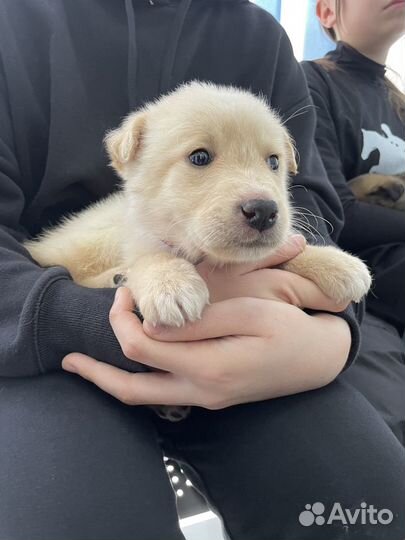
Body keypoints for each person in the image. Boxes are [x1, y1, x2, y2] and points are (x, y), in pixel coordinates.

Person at [0, 1, 404, 539]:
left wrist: (334, 329)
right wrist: (106, 319)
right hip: (50, 344)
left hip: (255, 329)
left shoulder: (259, 37)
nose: (259, 192)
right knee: (79, 522)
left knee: (372, 510)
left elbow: (312, 206)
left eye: (270, 162)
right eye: (199, 158)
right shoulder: (14, 22)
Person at [302, 0, 405, 444]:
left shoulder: (399, 102)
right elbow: (336, 215)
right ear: (328, 12)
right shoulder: (312, 82)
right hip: (365, 296)